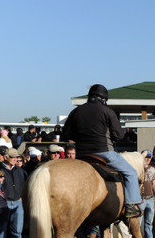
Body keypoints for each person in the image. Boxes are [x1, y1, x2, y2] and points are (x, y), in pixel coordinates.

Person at [61, 84, 142, 218]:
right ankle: (131, 206)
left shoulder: (75, 111)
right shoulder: (107, 111)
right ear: (103, 99)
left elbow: (66, 134)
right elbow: (119, 135)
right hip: (104, 152)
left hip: (81, 154)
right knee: (131, 173)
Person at [1, 148, 27, 238]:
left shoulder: (20, 171)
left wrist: (21, 197)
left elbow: (24, 184)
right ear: (6, 157)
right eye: (13, 157)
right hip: (3, 202)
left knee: (17, 229)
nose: (15, 159)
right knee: (2, 229)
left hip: (17, 201)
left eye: (16, 157)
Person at [140, 151, 155, 238]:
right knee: (137, 224)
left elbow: (154, 183)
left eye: (149, 157)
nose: (148, 159)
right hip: (140, 199)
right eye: (146, 157)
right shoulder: (138, 168)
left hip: (150, 198)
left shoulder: (152, 169)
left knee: (148, 223)